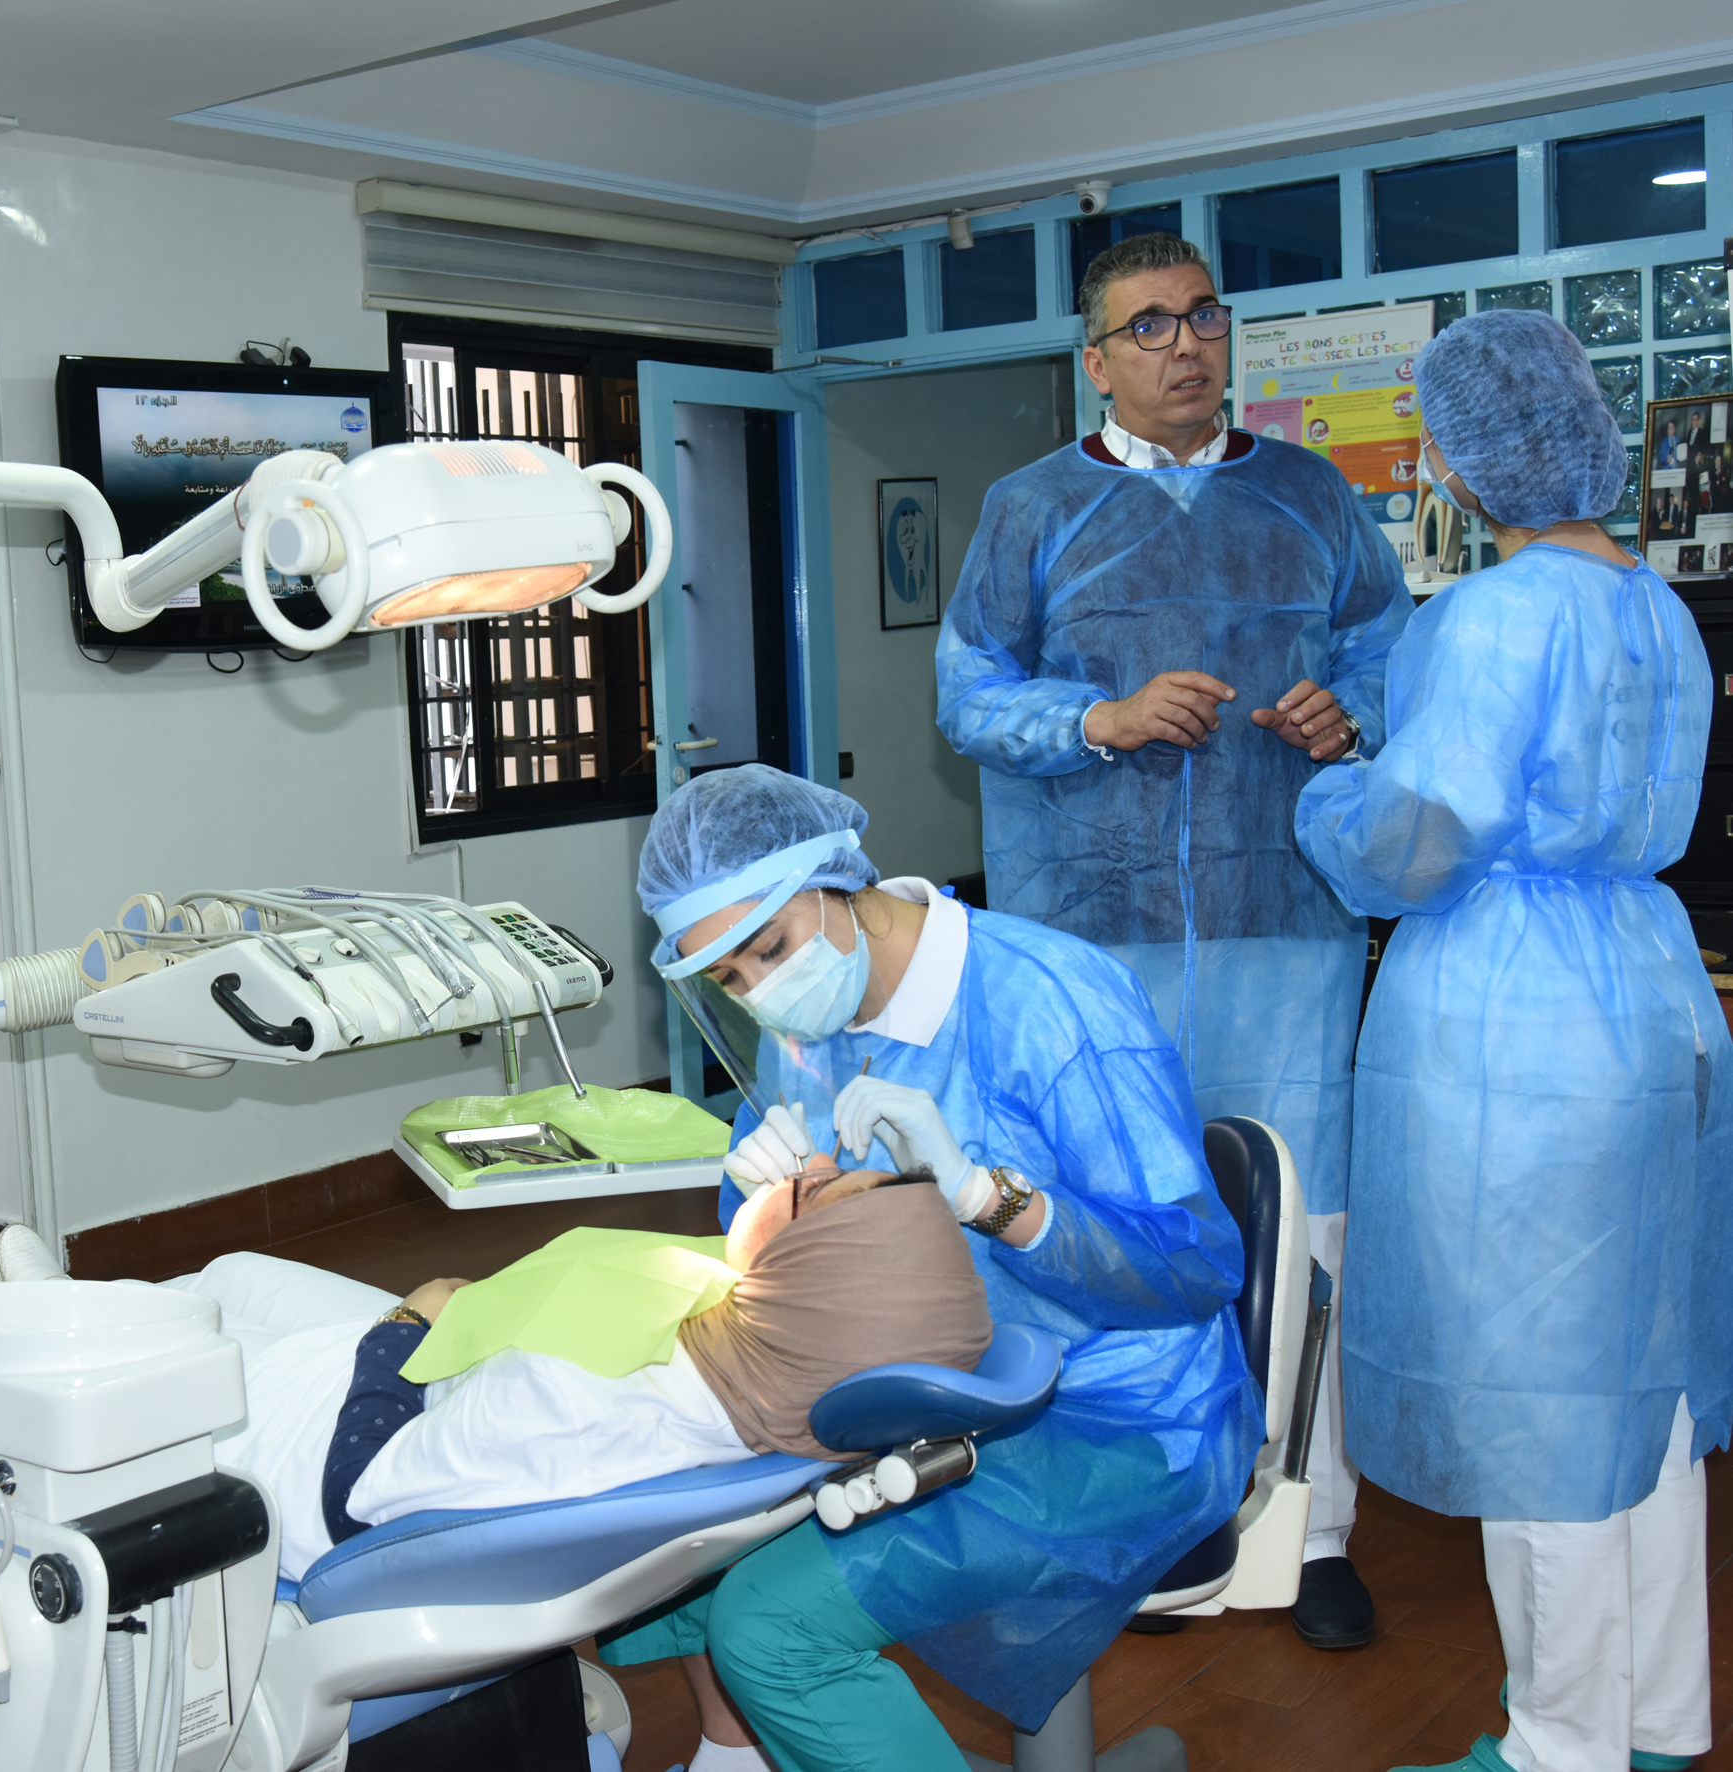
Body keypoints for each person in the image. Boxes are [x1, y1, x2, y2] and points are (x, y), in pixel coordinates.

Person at [934, 229, 1414, 1646]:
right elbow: (966, 690)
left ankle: (1309, 1529)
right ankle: (1135, 1522)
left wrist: (1350, 713)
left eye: (1203, 316)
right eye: (1148, 325)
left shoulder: (1311, 497)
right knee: (1111, 1226)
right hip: (1097, 938)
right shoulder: (1031, 508)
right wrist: (1098, 718)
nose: (1185, 344)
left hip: (1285, 926)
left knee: (1303, 1226)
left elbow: (1389, 652)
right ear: (1095, 360)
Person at [599, 765, 1257, 1772]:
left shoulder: (1051, 1001)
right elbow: (793, 1259)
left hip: (1113, 1416)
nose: (762, 989)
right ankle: (735, 1758)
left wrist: (986, 1196)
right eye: (727, 978)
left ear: (838, 880)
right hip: (911, 1387)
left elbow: (1195, 1266)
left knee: (771, 1629)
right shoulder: (802, 1029)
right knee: (659, 1540)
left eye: (770, 948)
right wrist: (762, 1200)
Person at [1294, 308, 1731, 1772]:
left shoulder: (1489, 614)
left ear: (1469, 460)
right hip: (1651, 987)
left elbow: (1421, 834)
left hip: (1517, 1020)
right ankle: (1655, 1719)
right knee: (1642, 1378)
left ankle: (1557, 1744)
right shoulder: (1655, 605)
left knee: (1537, 1391)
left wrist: (1326, 799)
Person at [166, 1168, 990, 1579]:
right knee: (232, 1272)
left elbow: (353, 1499)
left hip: (307, 1449)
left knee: (173, 1311)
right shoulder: (770, 1366)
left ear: (811, 1284)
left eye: (816, 1190)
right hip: (446, 1375)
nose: (809, 1161)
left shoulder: (572, 1397)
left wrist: (403, 1325)